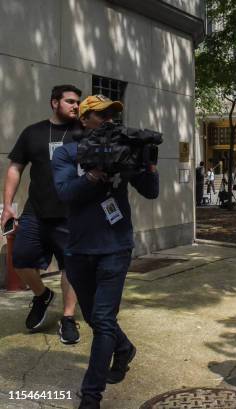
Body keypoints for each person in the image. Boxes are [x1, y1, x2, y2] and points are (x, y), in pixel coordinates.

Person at [52, 95, 159, 409]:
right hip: (77, 249)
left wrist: (146, 162)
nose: (110, 120)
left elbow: (151, 192)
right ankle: (123, 349)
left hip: (115, 247)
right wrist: (93, 174)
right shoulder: (67, 154)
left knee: (102, 317)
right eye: (101, 115)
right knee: (95, 319)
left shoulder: (126, 152)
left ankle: (91, 396)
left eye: (113, 115)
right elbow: (65, 194)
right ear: (84, 120)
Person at [1, 84, 82, 344]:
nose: (75, 106)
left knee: (70, 268)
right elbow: (16, 168)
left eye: (77, 102)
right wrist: (8, 205)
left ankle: (68, 319)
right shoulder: (33, 133)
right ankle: (42, 295)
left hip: (71, 214)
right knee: (21, 260)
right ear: (54, 103)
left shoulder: (82, 132)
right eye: (69, 101)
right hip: (35, 212)